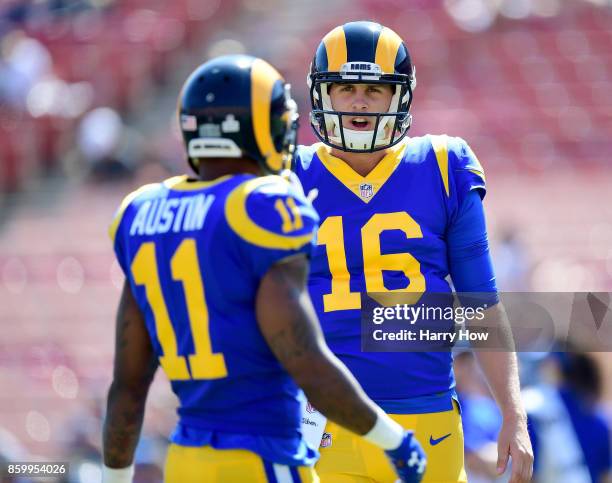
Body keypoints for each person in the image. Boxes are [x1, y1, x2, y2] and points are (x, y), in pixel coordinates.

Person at [102, 55, 426, 483]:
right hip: (261, 459)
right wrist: (394, 440)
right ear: (260, 127)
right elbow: (304, 359)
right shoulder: (263, 207)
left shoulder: (143, 212)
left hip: (186, 462)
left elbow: (128, 385)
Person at [293, 21, 533, 483]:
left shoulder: (444, 165)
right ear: (322, 95)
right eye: (345, 88)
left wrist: (513, 412)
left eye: (374, 89)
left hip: (426, 423)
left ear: (399, 97)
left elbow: (480, 302)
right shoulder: (290, 174)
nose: (359, 101)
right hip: (324, 425)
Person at [524, 350, 612, 483]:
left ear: (556, 367)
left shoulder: (536, 410)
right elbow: (605, 476)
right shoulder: (600, 421)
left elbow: (525, 473)